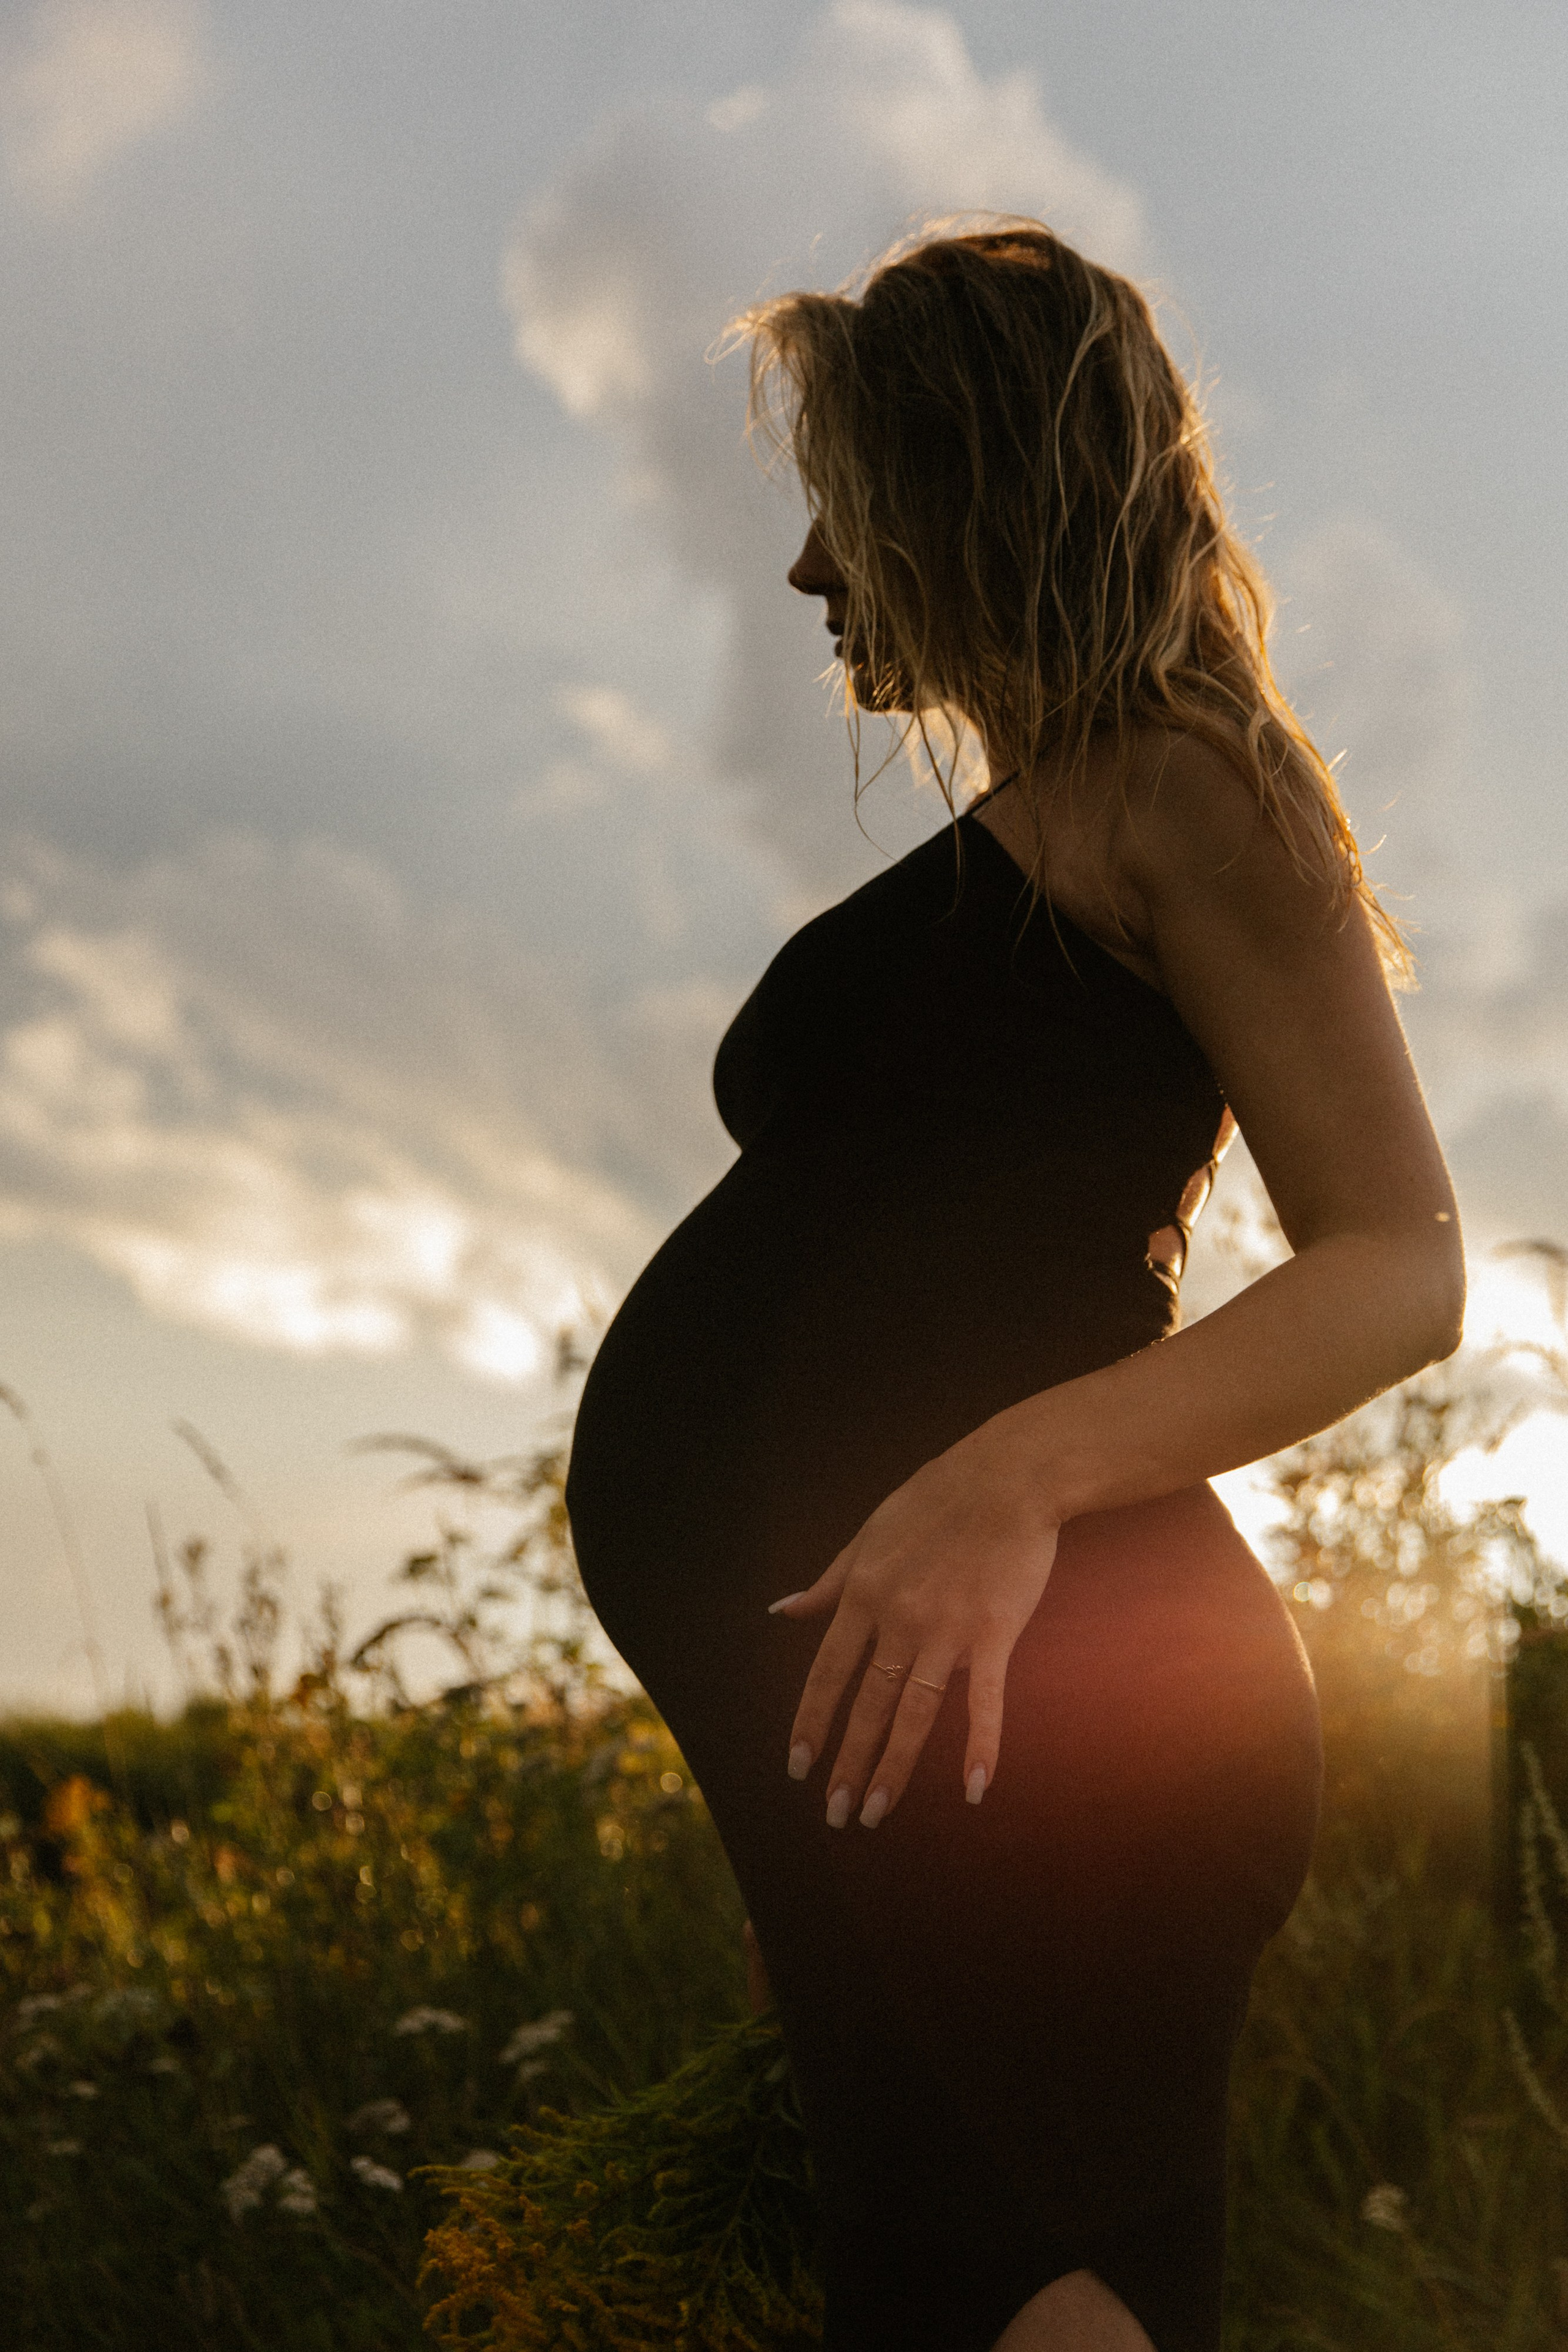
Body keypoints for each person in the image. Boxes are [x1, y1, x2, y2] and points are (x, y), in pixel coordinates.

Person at [563, 221, 1464, 2352]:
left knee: (1012, 2297)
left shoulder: (1186, 779)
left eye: (840, 511)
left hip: (1050, 1685)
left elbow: (1400, 1264)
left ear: (967, 482)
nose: (806, 578)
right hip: (930, 1733)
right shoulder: (1065, 812)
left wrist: (1003, 1488)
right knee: (955, 2289)